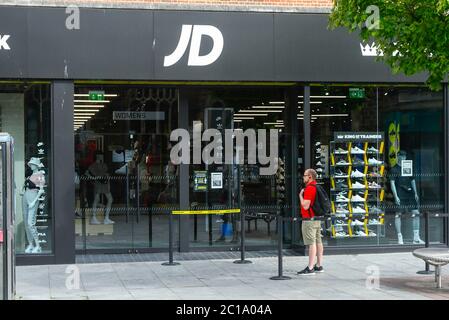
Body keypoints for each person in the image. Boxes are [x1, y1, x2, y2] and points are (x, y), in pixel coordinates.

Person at [389, 150, 424, 244]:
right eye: (401, 156)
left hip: (409, 193)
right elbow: (392, 183)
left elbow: (412, 180)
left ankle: (416, 237)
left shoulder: (408, 167)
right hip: (400, 192)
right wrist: (396, 196)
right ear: (398, 156)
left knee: (416, 213)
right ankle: (399, 237)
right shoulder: (394, 169)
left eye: (405, 156)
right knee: (398, 214)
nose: (403, 158)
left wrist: (415, 193)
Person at [297, 168, 324, 275]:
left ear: (310, 177)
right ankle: (319, 265)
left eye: (304, 175)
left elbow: (305, 205)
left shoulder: (309, 189)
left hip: (309, 220)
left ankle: (310, 267)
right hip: (316, 219)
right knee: (318, 241)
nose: (303, 177)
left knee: (311, 243)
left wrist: (300, 196)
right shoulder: (317, 187)